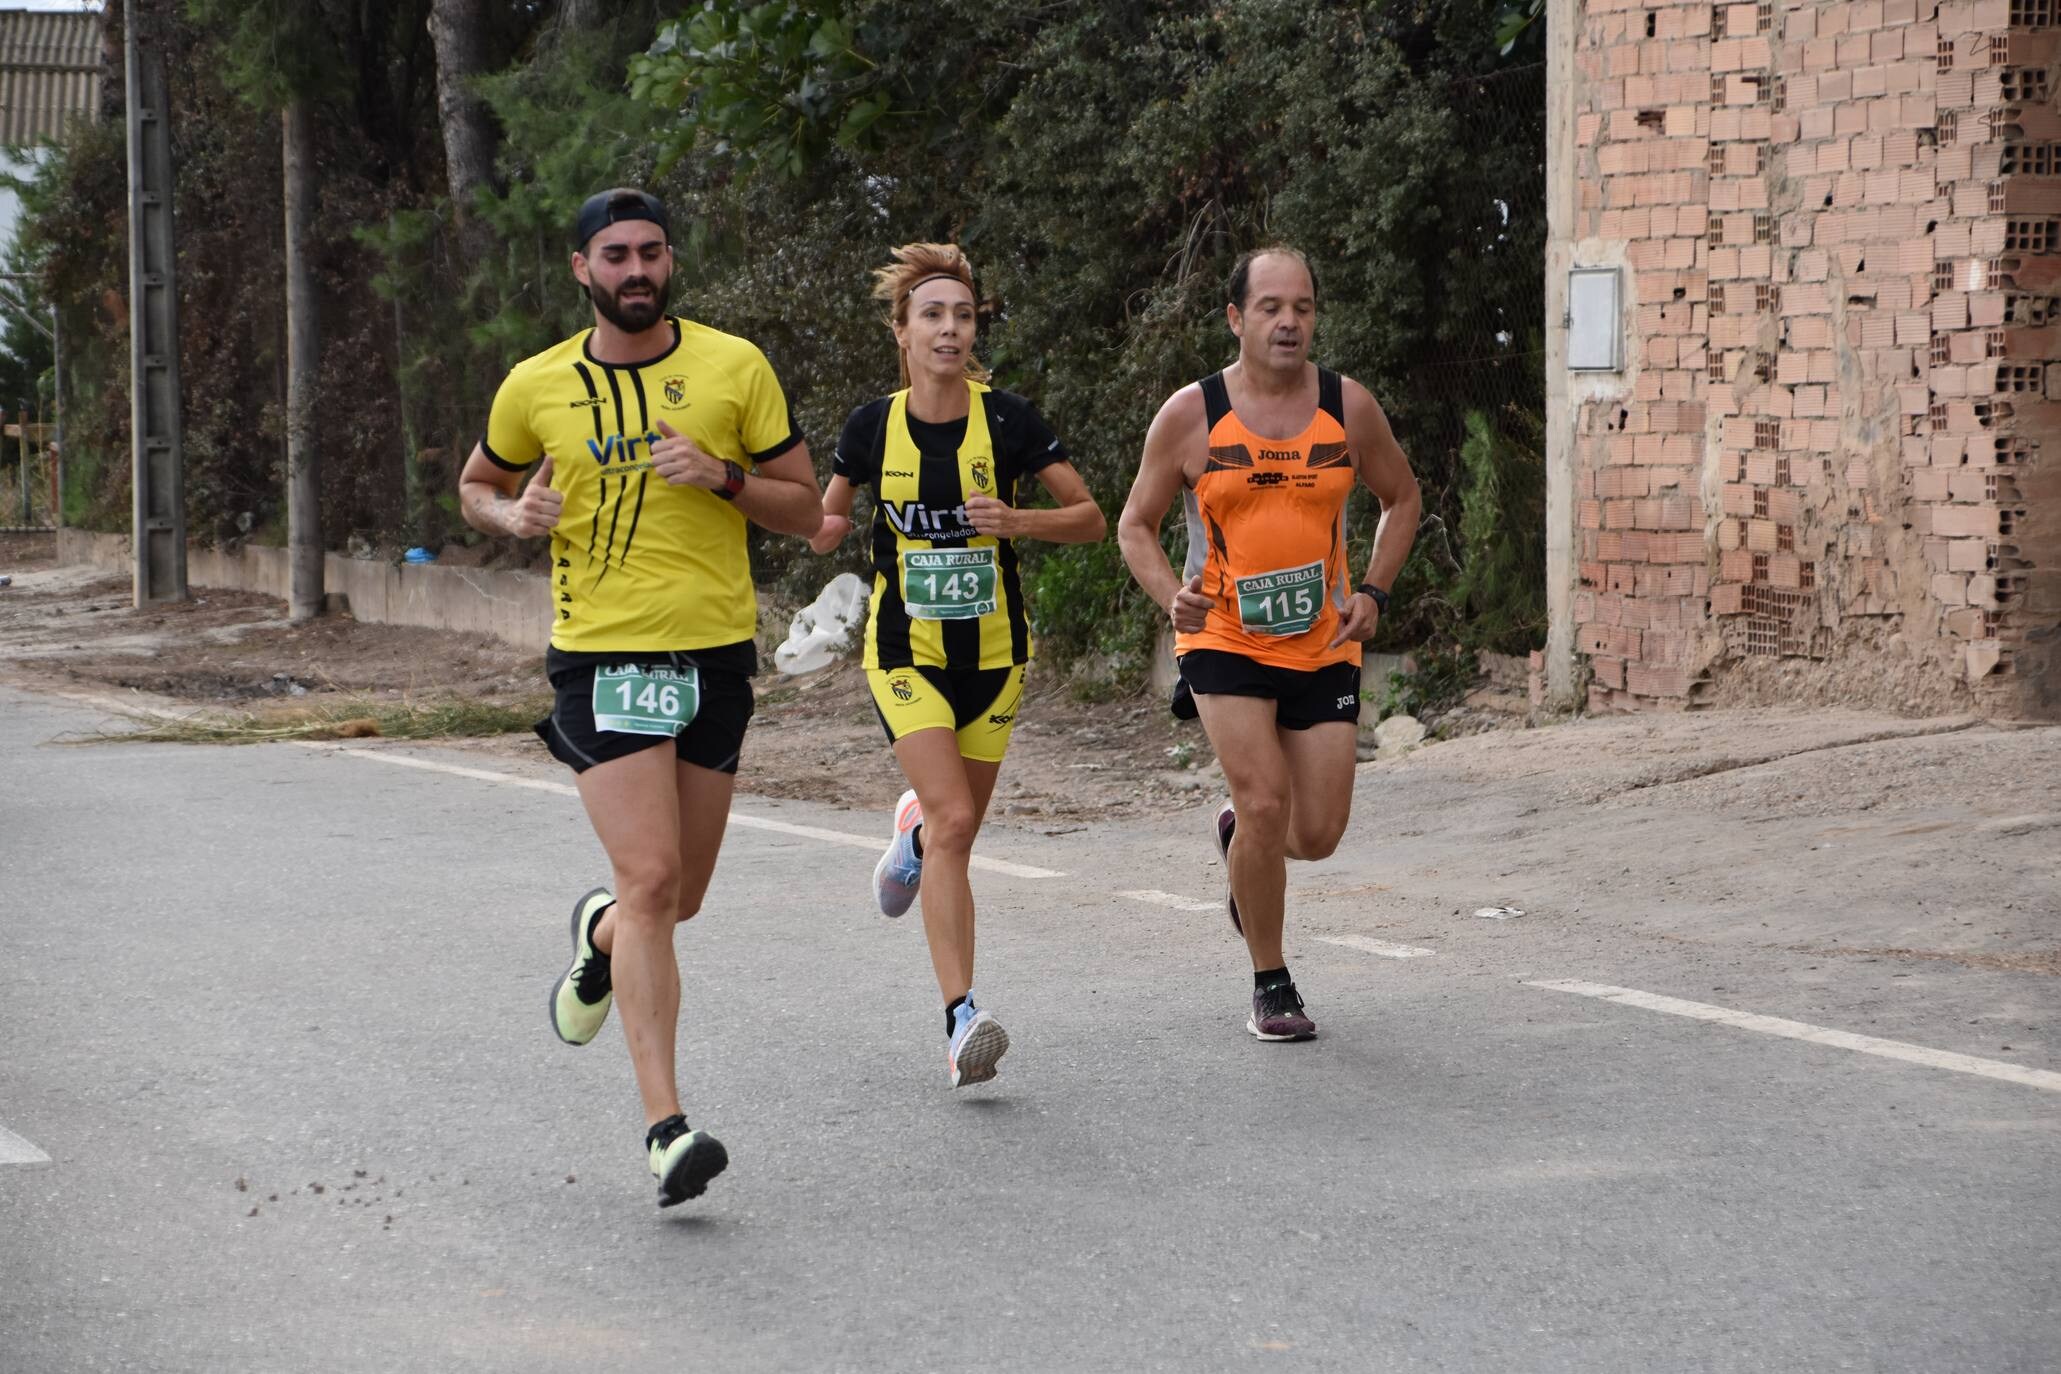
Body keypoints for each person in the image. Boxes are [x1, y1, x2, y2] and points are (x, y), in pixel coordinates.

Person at [455, 188, 822, 1205]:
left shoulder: (733, 368)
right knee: (653, 877)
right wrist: (511, 514)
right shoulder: (535, 386)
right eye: (615, 256)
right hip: (602, 660)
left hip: (712, 657)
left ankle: (599, 938)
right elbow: (475, 485)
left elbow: (806, 510)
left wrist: (724, 477)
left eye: (651, 253)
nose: (636, 271)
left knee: (675, 900)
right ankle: (668, 1128)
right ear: (582, 269)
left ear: (670, 262)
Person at [809, 243, 1104, 1086]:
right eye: (931, 315)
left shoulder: (1007, 419)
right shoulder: (870, 428)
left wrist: (1016, 522)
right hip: (906, 651)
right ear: (900, 331)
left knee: (950, 832)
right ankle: (960, 1017)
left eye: (962, 316)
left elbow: (1087, 516)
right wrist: (767, 504)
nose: (949, 329)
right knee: (958, 821)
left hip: (997, 654)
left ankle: (909, 839)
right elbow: (825, 523)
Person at [1116, 246, 1420, 1042]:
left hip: (1322, 642)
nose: (1288, 322)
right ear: (1235, 317)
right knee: (1263, 798)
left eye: (1303, 308)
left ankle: (1239, 843)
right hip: (1222, 637)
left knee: (1312, 836)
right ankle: (1270, 981)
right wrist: (1168, 597)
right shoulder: (1192, 414)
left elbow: (1402, 496)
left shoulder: (1348, 407)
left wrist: (1374, 592)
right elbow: (1134, 524)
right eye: (1270, 307)